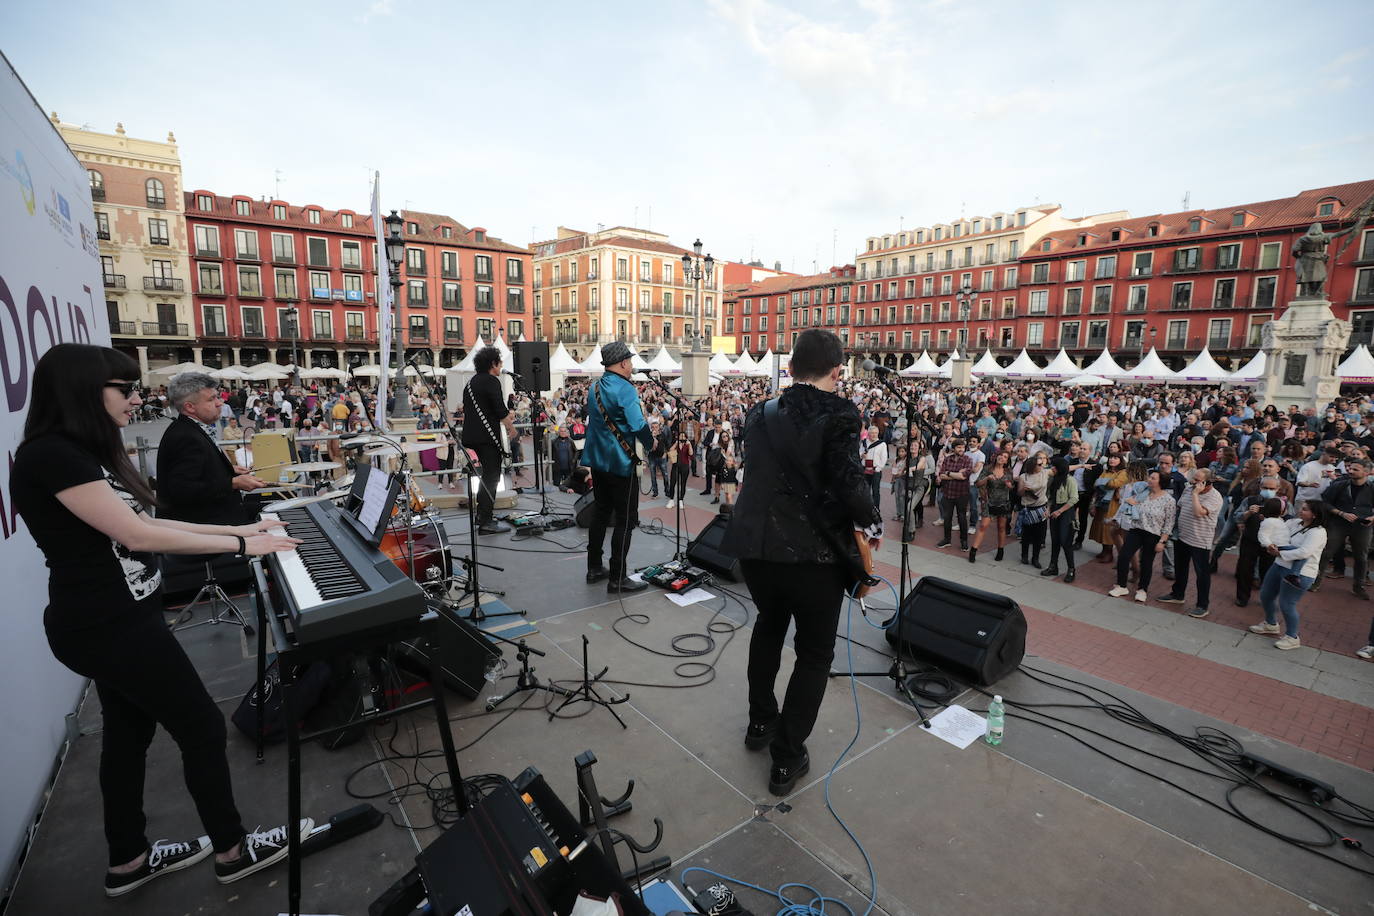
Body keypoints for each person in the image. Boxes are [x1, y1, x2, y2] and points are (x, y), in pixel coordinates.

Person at [10, 344, 308, 897]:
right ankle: (233, 851)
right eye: (123, 389)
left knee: (128, 735)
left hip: (117, 619)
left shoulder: (80, 453)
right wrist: (245, 546)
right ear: (83, 391)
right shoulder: (51, 455)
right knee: (200, 725)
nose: (135, 398)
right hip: (106, 625)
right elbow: (139, 536)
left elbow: (148, 520)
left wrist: (242, 534)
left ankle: (128, 861)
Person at [721, 329, 881, 796]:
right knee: (814, 651)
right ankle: (787, 757)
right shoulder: (841, 413)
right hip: (811, 555)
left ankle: (760, 724)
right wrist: (871, 520)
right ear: (837, 370)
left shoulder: (760, 411)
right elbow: (850, 482)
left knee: (769, 627)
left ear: (790, 369)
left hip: (756, 548)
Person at [583, 341, 653, 593]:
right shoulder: (625, 389)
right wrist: (652, 443)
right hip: (622, 464)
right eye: (630, 361)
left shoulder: (594, 387)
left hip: (598, 461)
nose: (632, 365)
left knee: (601, 513)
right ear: (623, 363)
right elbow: (637, 425)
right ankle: (617, 577)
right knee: (625, 520)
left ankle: (594, 567)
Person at [157, 372, 264, 525]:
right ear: (190, 407)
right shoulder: (185, 437)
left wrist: (228, 470)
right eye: (212, 399)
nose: (220, 403)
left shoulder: (192, 429)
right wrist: (233, 483)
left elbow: (198, 471)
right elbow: (182, 490)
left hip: (218, 520)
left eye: (218, 397)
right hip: (204, 531)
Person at [1249, 500, 1329, 650]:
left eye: (1305, 509)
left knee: (1287, 604)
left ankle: (1292, 637)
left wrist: (1280, 552)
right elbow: (1279, 531)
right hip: (1279, 564)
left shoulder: (1318, 532)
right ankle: (1271, 624)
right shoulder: (1295, 523)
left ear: (1315, 514)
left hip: (1302, 572)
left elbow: (1304, 552)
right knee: (1266, 595)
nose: (1300, 511)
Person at [461, 347, 518, 535]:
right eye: (499, 362)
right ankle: (486, 520)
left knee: (487, 475)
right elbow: (500, 411)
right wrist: (511, 427)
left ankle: (482, 515)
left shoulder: (470, 383)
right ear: (493, 364)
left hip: (472, 436)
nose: (501, 365)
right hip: (487, 437)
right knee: (492, 476)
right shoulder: (492, 381)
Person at [1159, 468, 1224, 618]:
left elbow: (1198, 512)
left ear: (1207, 482)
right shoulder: (1188, 489)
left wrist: (1195, 494)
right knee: (1181, 567)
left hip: (1200, 540)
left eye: (1197, 480)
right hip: (1183, 535)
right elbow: (1180, 506)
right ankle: (1178, 594)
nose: (1192, 482)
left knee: (1202, 574)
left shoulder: (1215, 497)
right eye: (1193, 479)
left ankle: (1202, 605)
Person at [1108, 470, 1176, 603]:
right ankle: (1121, 586)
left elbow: (1169, 522)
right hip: (1136, 529)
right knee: (1124, 555)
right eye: (1150, 477)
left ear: (1160, 482)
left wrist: (1162, 541)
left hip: (1153, 534)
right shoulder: (1143, 493)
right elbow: (1130, 502)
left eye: (1153, 478)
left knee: (1146, 562)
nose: (1149, 480)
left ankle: (1142, 589)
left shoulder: (1169, 500)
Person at [1315, 458, 1372, 600]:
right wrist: (1341, 513)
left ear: (1367, 472)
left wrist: (1372, 518)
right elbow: (1325, 503)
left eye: (1355, 469)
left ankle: (1359, 586)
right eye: (1350, 468)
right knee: (1327, 552)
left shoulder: (1372, 488)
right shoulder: (1339, 485)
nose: (1350, 471)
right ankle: (1315, 581)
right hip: (1338, 523)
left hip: (1362, 526)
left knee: (1361, 557)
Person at [1236, 496, 1284, 607]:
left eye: (1271, 488)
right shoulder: (1249, 500)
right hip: (1250, 540)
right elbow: (1237, 517)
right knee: (1245, 569)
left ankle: (1266, 598)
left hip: (1270, 544)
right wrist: (1248, 513)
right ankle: (1242, 598)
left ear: (1277, 488)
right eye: (1265, 487)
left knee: (1268, 572)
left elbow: (1289, 519)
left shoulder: (1282, 502)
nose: (1268, 490)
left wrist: (1274, 518)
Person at [969, 450, 1014, 564]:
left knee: (1001, 527)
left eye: (1005, 457)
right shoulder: (988, 469)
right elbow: (977, 483)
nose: (1002, 458)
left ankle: (1000, 550)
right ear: (996, 457)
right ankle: (973, 551)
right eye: (1000, 455)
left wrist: (1010, 486)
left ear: (1007, 461)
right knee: (983, 526)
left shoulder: (1008, 471)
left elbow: (1011, 486)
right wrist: (987, 478)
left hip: (1004, 503)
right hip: (989, 502)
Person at [1041, 455, 1080, 582]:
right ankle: (1053, 566)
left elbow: (1074, 498)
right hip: (1055, 511)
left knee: (1065, 541)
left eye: (1055, 466)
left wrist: (1060, 511)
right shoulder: (1054, 480)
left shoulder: (1070, 480)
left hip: (1066, 512)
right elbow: (1051, 497)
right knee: (1055, 540)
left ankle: (1071, 569)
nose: (1052, 468)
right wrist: (1048, 509)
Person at [935, 438, 974, 551]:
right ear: (954, 448)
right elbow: (942, 475)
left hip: (962, 493)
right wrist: (953, 474)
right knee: (947, 517)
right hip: (948, 492)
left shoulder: (968, 459)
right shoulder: (947, 459)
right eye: (959, 447)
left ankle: (964, 541)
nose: (961, 449)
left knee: (962, 517)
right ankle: (947, 539)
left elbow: (964, 476)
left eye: (962, 447)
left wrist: (949, 474)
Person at [1016, 452, 1049, 568]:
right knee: (1026, 535)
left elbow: (1064, 468)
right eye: (1039, 465)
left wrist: (1081, 466)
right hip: (1028, 508)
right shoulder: (1023, 476)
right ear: (1032, 466)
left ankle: (1036, 558)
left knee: (1039, 536)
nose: (1041, 466)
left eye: (1042, 464)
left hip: (1041, 507)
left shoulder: (1044, 473)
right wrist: (1024, 489)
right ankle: (1024, 555)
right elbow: (1019, 493)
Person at [666, 428, 693, 508]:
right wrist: (676, 443)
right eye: (680, 436)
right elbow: (670, 450)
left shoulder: (687, 445)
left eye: (683, 436)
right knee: (672, 483)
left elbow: (691, 454)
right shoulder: (676, 443)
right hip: (676, 465)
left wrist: (690, 444)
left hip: (685, 466)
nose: (682, 438)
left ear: (685, 437)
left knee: (683, 484)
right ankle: (671, 500)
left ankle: (681, 500)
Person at [646, 417, 670, 499]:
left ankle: (667, 492)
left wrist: (666, 453)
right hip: (652, 457)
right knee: (653, 476)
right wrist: (652, 437)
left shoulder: (662, 434)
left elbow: (667, 444)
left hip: (661, 457)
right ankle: (655, 492)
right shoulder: (649, 435)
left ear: (659, 427)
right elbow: (646, 447)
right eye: (653, 427)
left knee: (665, 475)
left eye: (656, 427)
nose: (654, 429)